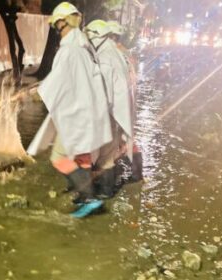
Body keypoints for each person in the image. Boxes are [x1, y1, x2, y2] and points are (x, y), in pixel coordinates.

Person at [28, 2, 113, 218]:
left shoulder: (69, 50)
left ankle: (90, 199)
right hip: (91, 113)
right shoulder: (85, 47)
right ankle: (84, 195)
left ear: (61, 23)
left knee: (58, 158)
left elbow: (57, 81)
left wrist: (39, 91)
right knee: (82, 158)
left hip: (78, 115)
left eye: (57, 25)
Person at [84, 20, 142, 198]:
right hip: (120, 111)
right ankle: (123, 181)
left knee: (105, 158)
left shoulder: (105, 57)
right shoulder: (116, 54)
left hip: (110, 114)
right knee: (110, 154)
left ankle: (104, 192)